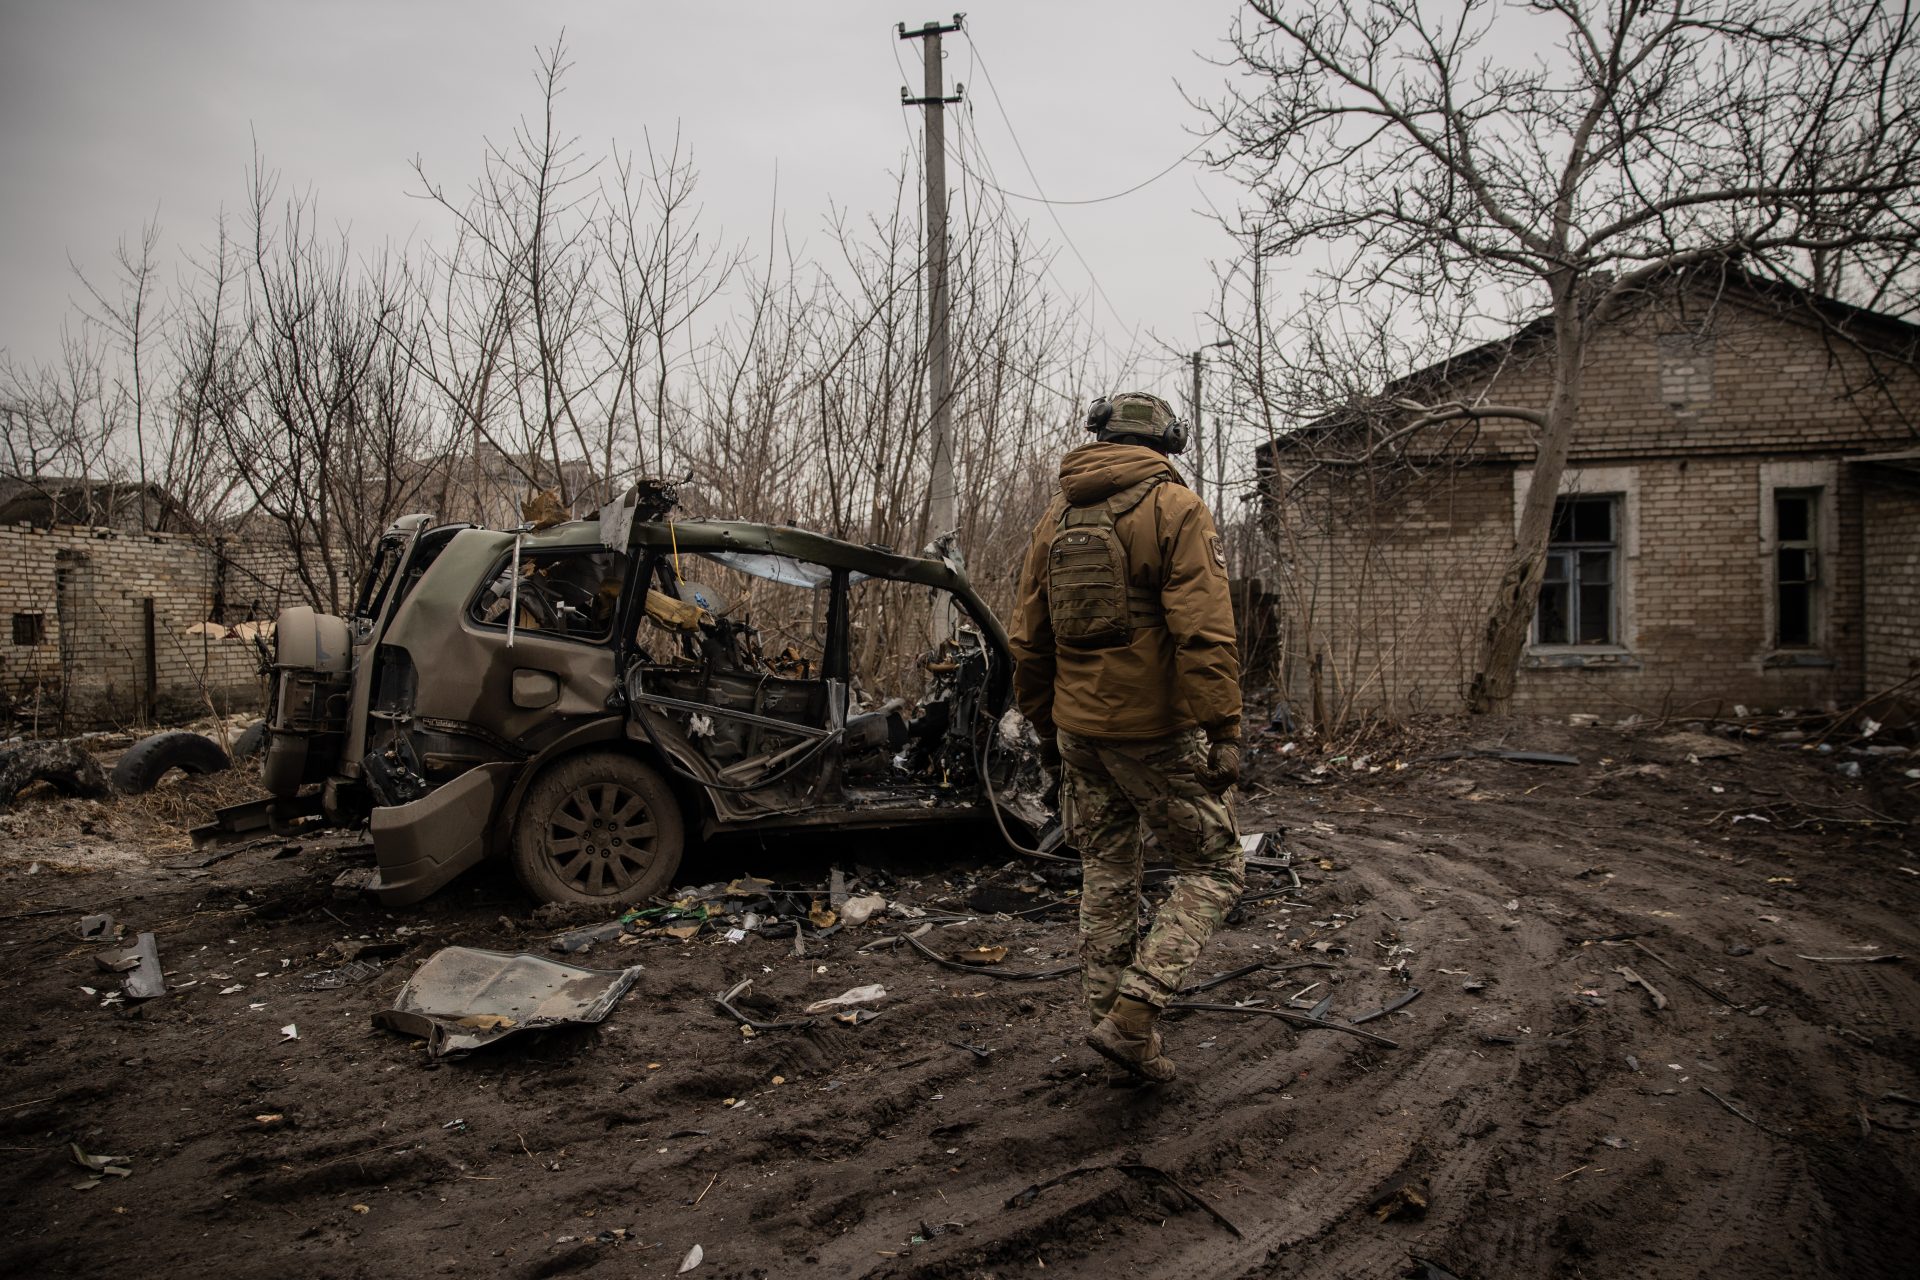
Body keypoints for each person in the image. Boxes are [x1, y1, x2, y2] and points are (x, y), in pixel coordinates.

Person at [1009, 391, 1245, 1083]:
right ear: (1166, 444)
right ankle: (1136, 1013)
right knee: (1214, 866)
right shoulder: (1178, 509)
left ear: (1102, 435)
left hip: (1079, 726)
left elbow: (1028, 637)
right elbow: (1203, 630)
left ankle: (1117, 1039)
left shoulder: (1058, 514)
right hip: (1154, 731)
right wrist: (1224, 728)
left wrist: (1047, 725)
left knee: (1108, 872)